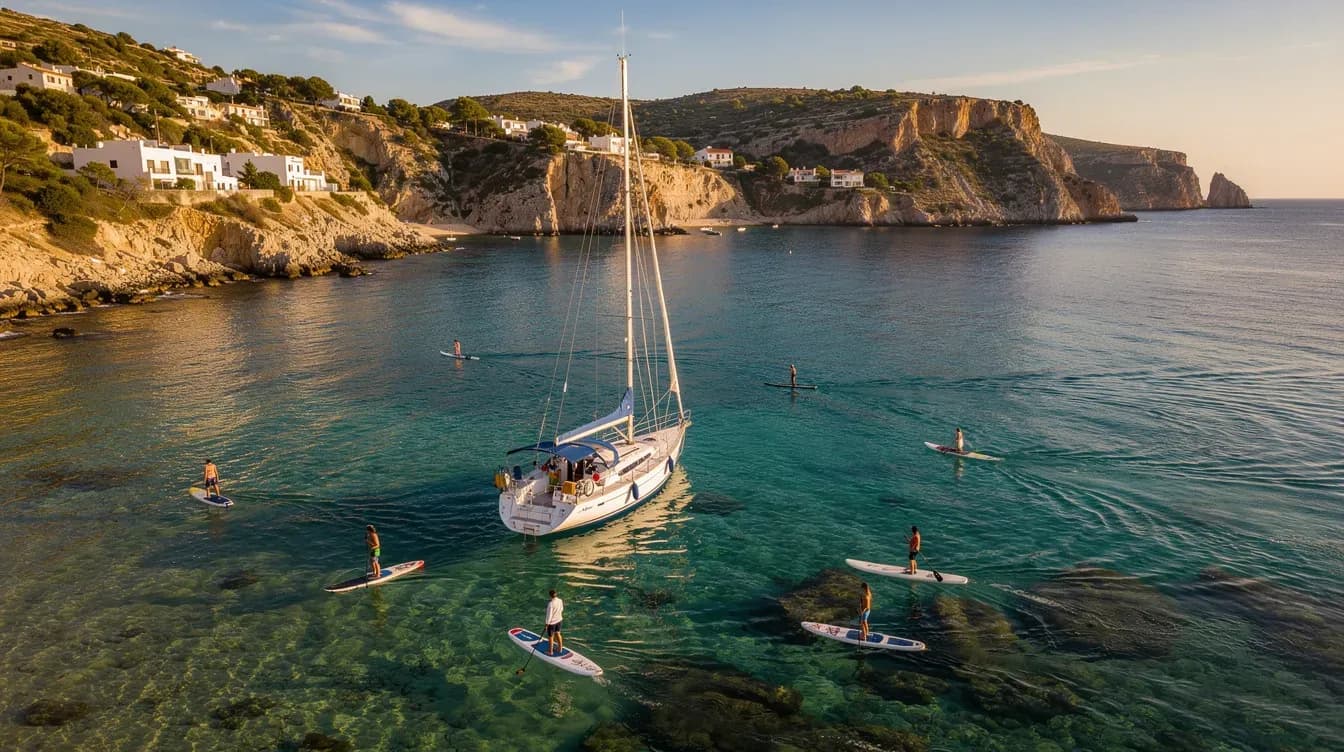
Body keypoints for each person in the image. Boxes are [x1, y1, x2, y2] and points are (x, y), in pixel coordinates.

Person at [544, 589, 565, 656]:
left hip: (552, 623)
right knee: (558, 633)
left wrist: (546, 624)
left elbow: (549, 615)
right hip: (559, 620)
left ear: (550, 596)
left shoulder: (550, 604)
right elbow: (562, 609)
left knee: (551, 636)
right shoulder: (560, 600)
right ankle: (560, 649)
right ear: (556, 594)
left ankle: (550, 652)